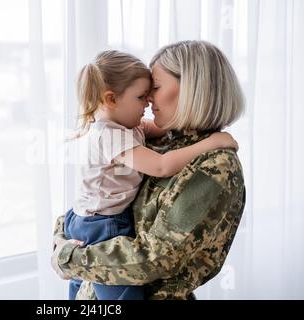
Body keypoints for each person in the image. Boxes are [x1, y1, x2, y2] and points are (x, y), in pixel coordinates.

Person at [52, 40, 246, 300]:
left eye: (154, 88)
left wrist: (67, 256)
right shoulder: (152, 139)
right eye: (143, 93)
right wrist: (61, 236)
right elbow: (96, 200)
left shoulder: (216, 165)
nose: (149, 99)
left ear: (192, 89)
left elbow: (156, 257)